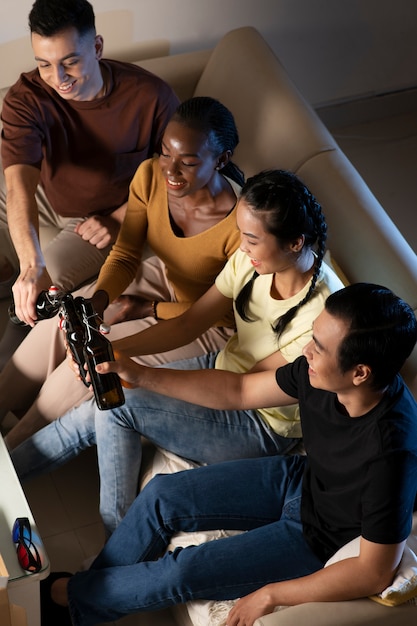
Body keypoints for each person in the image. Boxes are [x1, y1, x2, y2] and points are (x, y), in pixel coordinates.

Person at [39, 283, 417, 626]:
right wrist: (140, 375)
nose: (306, 350)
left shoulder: (391, 452)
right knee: (162, 496)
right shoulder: (318, 371)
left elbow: (374, 570)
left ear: (360, 373)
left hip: (319, 537)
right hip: (302, 478)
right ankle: (85, 597)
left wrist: (270, 594)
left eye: (318, 346)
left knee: (182, 572)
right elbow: (239, 391)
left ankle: (66, 600)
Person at [11, 169, 344, 535]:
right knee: (100, 400)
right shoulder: (251, 262)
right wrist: (110, 350)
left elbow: (241, 390)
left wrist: (140, 374)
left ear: (295, 242)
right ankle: (5, 477)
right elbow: (189, 324)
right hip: (223, 368)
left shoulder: (322, 318)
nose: (242, 247)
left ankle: (118, 539)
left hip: (263, 421)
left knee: (116, 406)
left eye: (250, 239)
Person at [0, 95, 244, 448]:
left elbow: (224, 313)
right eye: (165, 153)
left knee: (91, 362)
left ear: (221, 160)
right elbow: (126, 254)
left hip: (214, 324)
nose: (170, 172)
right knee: (65, 321)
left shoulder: (240, 225)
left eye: (187, 163)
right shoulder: (150, 176)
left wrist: (147, 309)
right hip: (165, 278)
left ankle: (13, 454)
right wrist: (98, 301)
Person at [0, 0, 179, 360]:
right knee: (35, 279)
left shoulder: (150, 95)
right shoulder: (26, 98)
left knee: (52, 292)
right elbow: (19, 184)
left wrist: (121, 217)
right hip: (66, 210)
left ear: (97, 47)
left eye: (70, 62)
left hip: (136, 215)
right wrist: (30, 263)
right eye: (44, 64)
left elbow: (182, 173)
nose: (58, 78)